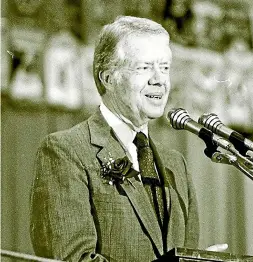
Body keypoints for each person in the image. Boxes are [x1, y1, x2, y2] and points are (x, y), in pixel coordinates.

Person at [30, 16, 200, 261]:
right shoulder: (64, 151)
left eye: (164, 68)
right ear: (107, 78)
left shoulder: (177, 165)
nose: (159, 79)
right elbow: (73, 258)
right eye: (144, 67)